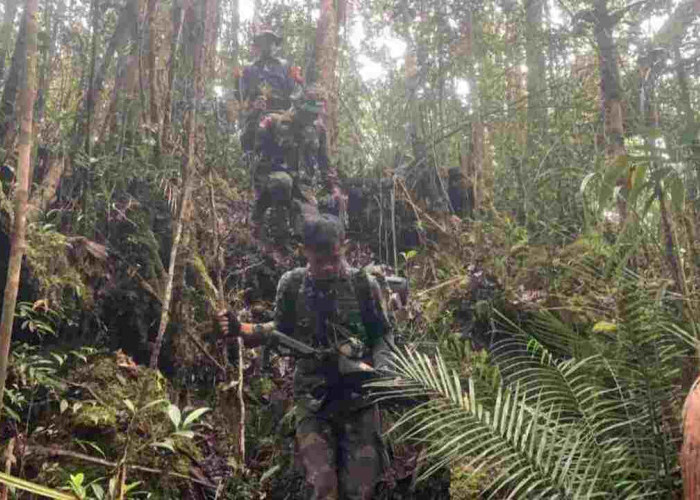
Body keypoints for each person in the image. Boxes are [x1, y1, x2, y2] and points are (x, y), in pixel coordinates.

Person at [216, 215, 391, 499]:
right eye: (319, 261)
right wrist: (242, 329)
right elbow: (280, 330)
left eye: (334, 258)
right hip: (314, 401)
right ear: (304, 251)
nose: (328, 267)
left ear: (343, 247)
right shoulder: (292, 285)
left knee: (360, 491)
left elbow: (383, 334)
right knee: (322, 488)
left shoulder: (364, 286)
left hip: (360, 402)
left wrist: (381, 370)